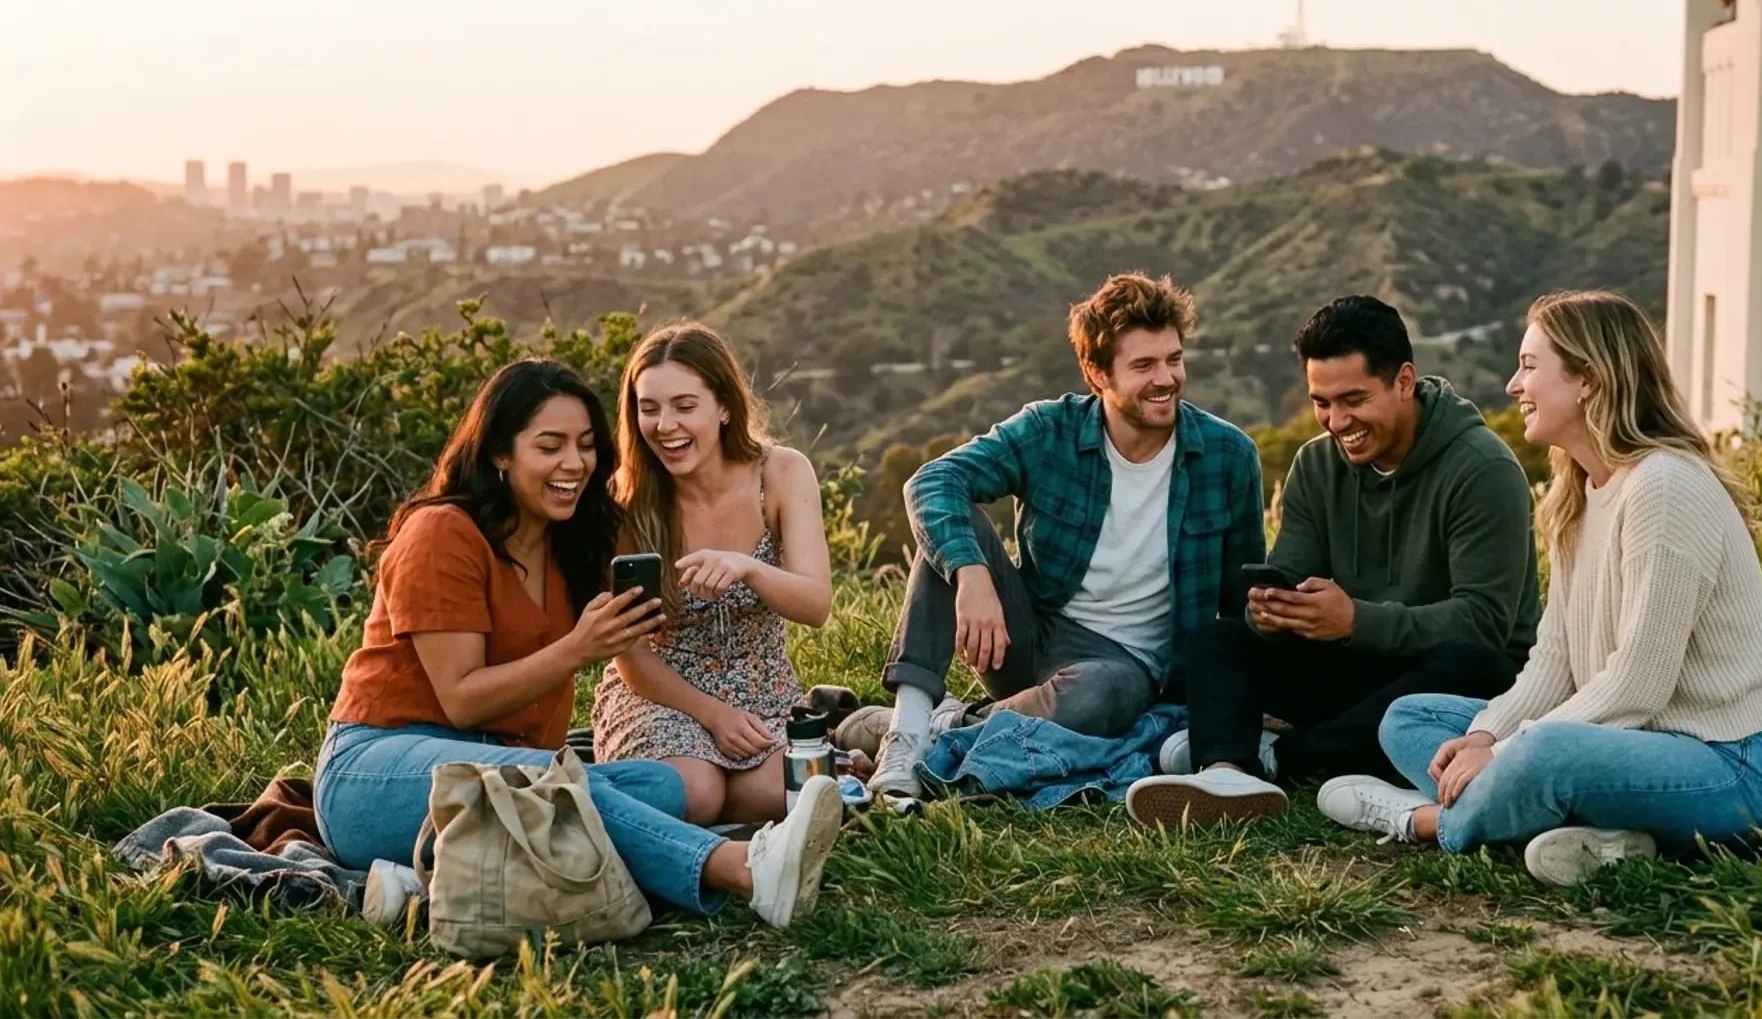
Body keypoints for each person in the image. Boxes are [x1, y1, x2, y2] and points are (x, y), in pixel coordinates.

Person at [313, 360, 841, 931]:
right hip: (382, 765)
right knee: (564, 790)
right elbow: (463, 701)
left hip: (516, 766)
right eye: (550, 446)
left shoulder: (571, 542)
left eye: (586, 445)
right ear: (499, 453)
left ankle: (427, 883)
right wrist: (579, 648)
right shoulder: (443, 532)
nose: (574, 463)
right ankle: (742, 869)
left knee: (661, 788)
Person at [1316, 290, 1762, 887]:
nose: (1514, 385)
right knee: (1409, 718)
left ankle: (1431, 821)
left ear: (1587, 379)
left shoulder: (1663, 488)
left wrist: (1510, 751)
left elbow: (1639, 683)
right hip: (1620, 740)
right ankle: (1611, 839)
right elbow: (1556, 658)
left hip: (1723, 765)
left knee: (1545, 754)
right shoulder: (1577, 493)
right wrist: (1488, 733)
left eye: (1530, 366)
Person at [1126, 295, 1540, 828]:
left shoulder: (1482, 468)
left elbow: (1484, 625)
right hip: (1355, 667)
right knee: (1217, 638)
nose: (1336, 421)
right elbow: (1292, 576)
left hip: (1449, 682)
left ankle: (1283, 759)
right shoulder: (1317, 464)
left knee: (1474, 664)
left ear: (1405, 381)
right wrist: (1273, 613)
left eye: (1353, 400)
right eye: (1322, 402)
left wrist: (1354, 620)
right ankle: (1226, 769)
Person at [855, 272, 1266, 799]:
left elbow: (1240, 607)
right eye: (1143, 365)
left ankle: (947, 725)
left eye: (1174, 359)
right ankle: (907, 730)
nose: (1166, 378)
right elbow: (934, 480)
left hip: (1127, 668)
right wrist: (972, 573)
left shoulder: (1228, 455)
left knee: (1104, 692)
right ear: (1097, 373)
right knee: (954, 529)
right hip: (1026, 636)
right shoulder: (1051, 430)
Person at [590, 321, 833, 826]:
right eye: (649, 408)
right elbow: (630, 653)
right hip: (660, 692)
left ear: (723, 407)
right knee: (696, 794)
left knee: (781, 792)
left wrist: (747, 568)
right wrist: (712, 714)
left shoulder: (782, 473)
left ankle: (699, 812)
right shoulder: (625, 500)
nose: (665, 426)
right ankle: (692, 807)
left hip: (763, 688)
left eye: (684, 406)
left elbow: (815, 605)